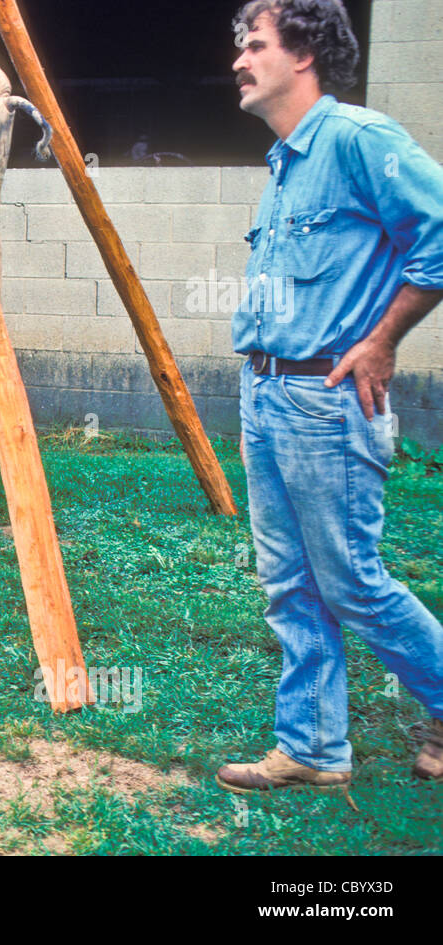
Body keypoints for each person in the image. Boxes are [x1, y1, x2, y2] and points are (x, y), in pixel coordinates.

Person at [216, 0, 443, 793]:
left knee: (351, 580)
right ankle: (312, 745)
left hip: (327, 399)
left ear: (303, 53)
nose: (239, 61)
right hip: (266, 392)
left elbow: (440, 234)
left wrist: (382, 339)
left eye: (254, 45)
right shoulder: (284, 163)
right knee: (288, 582)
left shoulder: (360, 141)